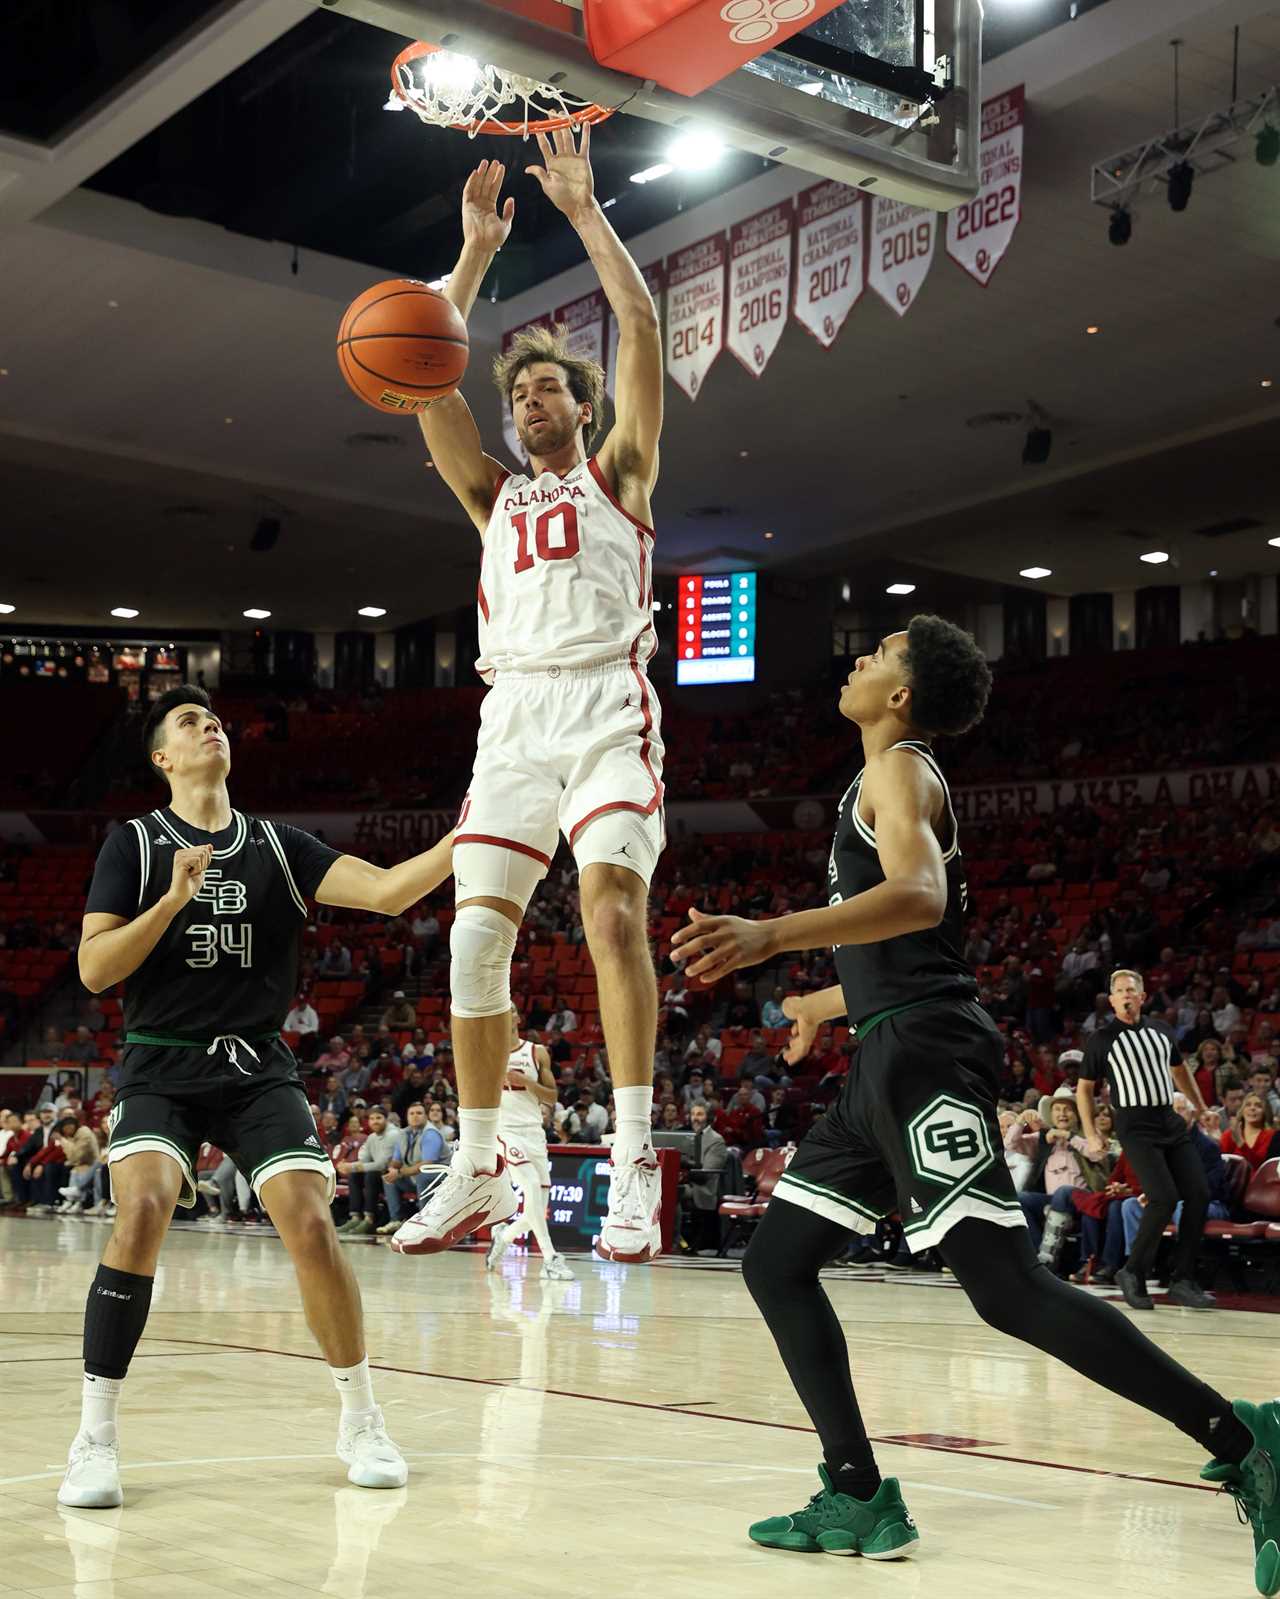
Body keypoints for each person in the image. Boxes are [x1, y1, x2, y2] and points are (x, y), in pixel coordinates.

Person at [669, 618, 1279, 1583]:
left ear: (903, 695)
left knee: (1005, 1288)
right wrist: (824, 1002)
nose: (861, 656)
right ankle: (858, 1491)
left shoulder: (901, 771)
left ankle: (1248, 1444)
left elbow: (918, 895)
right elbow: (911, 942)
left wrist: (771, 936)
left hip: (926, 1055)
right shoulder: (878, 779)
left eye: (881, 652)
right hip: (887, 1049)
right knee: (779, 1263)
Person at [57, 683, 459, 1510]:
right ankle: (93, 1437)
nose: (211, 727)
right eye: (188, 722)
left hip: (255, 1066)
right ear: (162, 758)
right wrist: (172, 898)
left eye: (215, 719)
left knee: (311, 1219)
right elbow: (96, 970)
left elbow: (388, 892)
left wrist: (470, 835)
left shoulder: (277, 844)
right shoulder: (133, 841)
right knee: (143, 1208)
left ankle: (362, 1418)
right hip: (160, 1063)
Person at [390, 135, 666, 1267]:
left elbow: (642, 330)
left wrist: (586, 213)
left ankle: (636, 1159)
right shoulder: (489, 496)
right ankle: (476, 1162)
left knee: (608, 913)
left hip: (603, 702)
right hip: (512, 716)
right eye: (519, 391)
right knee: (469, 945)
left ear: (580, 403)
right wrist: (468, 257)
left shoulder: (622, 471)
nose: (530, 399)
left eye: (549, 384)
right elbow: (418, 372)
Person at [1077, 970, 1216, 1311]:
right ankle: (1132, 1271)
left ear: (1142, 997)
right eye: (1119, 991)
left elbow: (1179, 1070)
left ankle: (1182, 1279)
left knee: (1198, 1194)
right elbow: (1084, 1089)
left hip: (1168, 1119)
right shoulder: (1102, 1038)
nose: (1126, 995)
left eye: (1131, 990)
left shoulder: (1160, 1031)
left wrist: (1199, 1108)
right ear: (1111, 1000)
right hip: (1134, 1124)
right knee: (1163, 1198)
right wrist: (1092, 1133)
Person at [485, 1011, 573, 1279]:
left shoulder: (536, 1052)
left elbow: (552, 1096)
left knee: (537, 1205)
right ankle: (550, 1258)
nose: (506, 1013)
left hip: (534, 1131)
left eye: (511, 1009)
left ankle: (504, 1235)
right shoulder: (487, 1052)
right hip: (505, 1131)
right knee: (531, 1186)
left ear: (517, 1018)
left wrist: (526, 1082)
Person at [377, 1102, 447, 1238]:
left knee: (423, 1175)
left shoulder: (431, 1134)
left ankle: (426, 1222)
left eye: (419, 1113)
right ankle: (396, 1220)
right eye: (412, 1113)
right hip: (417, 1175)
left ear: (426, 1116)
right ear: (407, 1117)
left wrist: (400, 1172)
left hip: (440, 1178)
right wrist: (392, 1170)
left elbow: (427, 1164)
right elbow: (396, 1161)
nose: (415, 1116)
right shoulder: (403, 1134)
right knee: (389, 1179)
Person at [1221, 1092, 1276, 1174]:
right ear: (1242, 1110)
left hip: (1261, 1184)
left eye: (1258, 1106)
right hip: (1234, 1184)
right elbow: (1223, 1164)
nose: (1252, 1108)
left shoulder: (1272, 1136)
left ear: (1265, 1112)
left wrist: (1240, 1143)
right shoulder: (1228, 1135)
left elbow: (1262, 1167)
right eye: (1248, 1105)